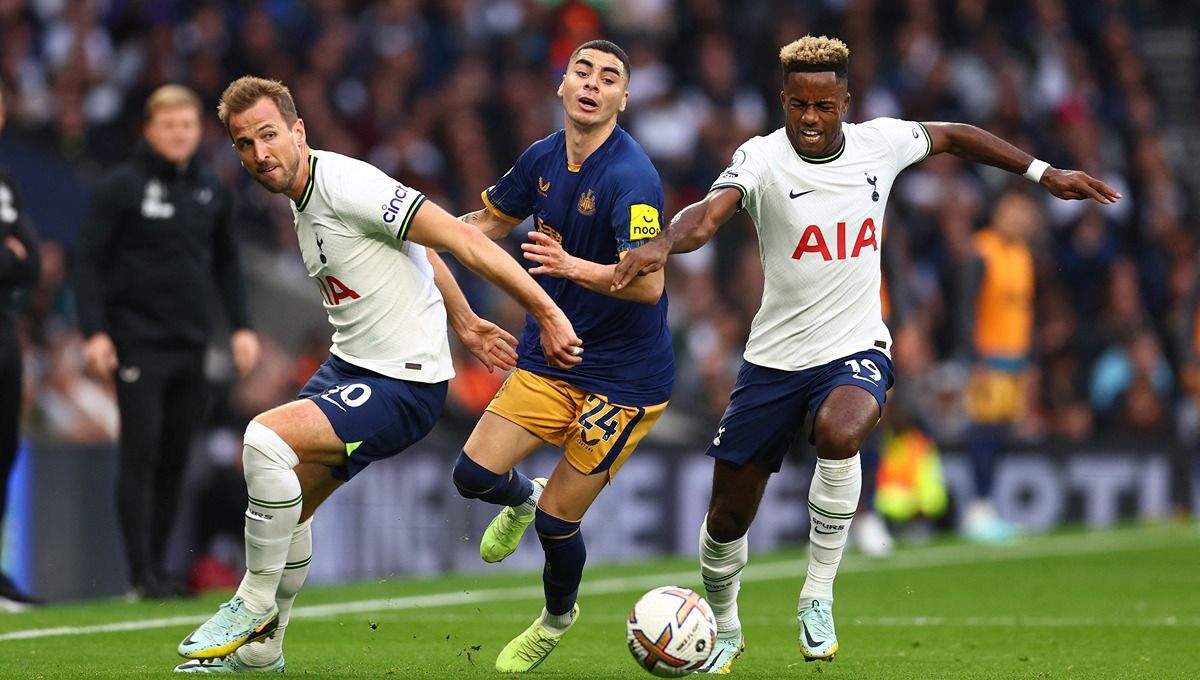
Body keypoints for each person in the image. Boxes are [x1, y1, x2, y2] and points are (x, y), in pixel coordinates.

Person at [611, 35, 1119, 672]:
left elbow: (957, 135)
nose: (811, 119)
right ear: (783, 99)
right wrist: (662, 242)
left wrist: (1045, 174)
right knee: (726, 518)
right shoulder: (760, 157)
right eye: (798, 105)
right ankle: (726, 621)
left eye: (824, 106)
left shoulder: (882, 143)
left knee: (842, 430)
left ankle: (817, 593)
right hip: (773, 359)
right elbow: (710, 215)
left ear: (845, 101)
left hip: (856, 346)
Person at [174, 76, 581, 673]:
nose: (259, 154)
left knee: (262, 440)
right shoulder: (301, 196)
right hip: (352, 366)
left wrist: (545, 312)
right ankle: (263, 652)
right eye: (243, 144)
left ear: (297, 131)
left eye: (268, 135)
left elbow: (461, 237)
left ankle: (252, 604)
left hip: (403, 383)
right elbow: (415, 248)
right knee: (291, 511)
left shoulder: (346, 184)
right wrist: (464, 320)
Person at [450, 39, 673, 673]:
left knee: (556, 525)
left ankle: (555, 619)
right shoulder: (541, 160)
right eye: (583, 71)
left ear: (623, 100)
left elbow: (651, 282)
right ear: (562, 84)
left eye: (609, 78)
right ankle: (521, 496)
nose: (592, 84)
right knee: (472, 477)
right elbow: (485, 224)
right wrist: (418, 230)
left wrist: (571, 268)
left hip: (625, 379)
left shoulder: (633, 177)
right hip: (551, 357)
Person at [73, 84, 261, 600]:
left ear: (199, 131)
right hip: (137, 342)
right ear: (149, 129)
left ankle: (157, 566)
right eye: (169, 125)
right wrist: (94, 332)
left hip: (191, 343)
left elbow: (227, 264)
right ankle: (139, 573)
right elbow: (87, 261)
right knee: (142, 452)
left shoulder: (211, 189)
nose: (179, 134)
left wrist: (242, 327)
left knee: (177, 456)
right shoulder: (121, 187)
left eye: (188, 126)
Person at [957, 191, 1039, 543]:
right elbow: (965, 308)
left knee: (1001, 435)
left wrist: (1028, 364)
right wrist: (974, 360)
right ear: (997, 213)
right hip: (987, 360)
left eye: (1024, 214)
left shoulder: (1024, 256)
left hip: (1014, 361)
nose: (1018, 220)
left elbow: (1025, 313)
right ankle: (977, 508)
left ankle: (986, 505)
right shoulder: (981, 251)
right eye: (1012, 212)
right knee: (984, 434)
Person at [0, 83, 42, 610]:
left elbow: (33, 259)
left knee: (3, 450)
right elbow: (17, 257)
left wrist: (13, 256)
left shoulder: (5, 182)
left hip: (4, 327)